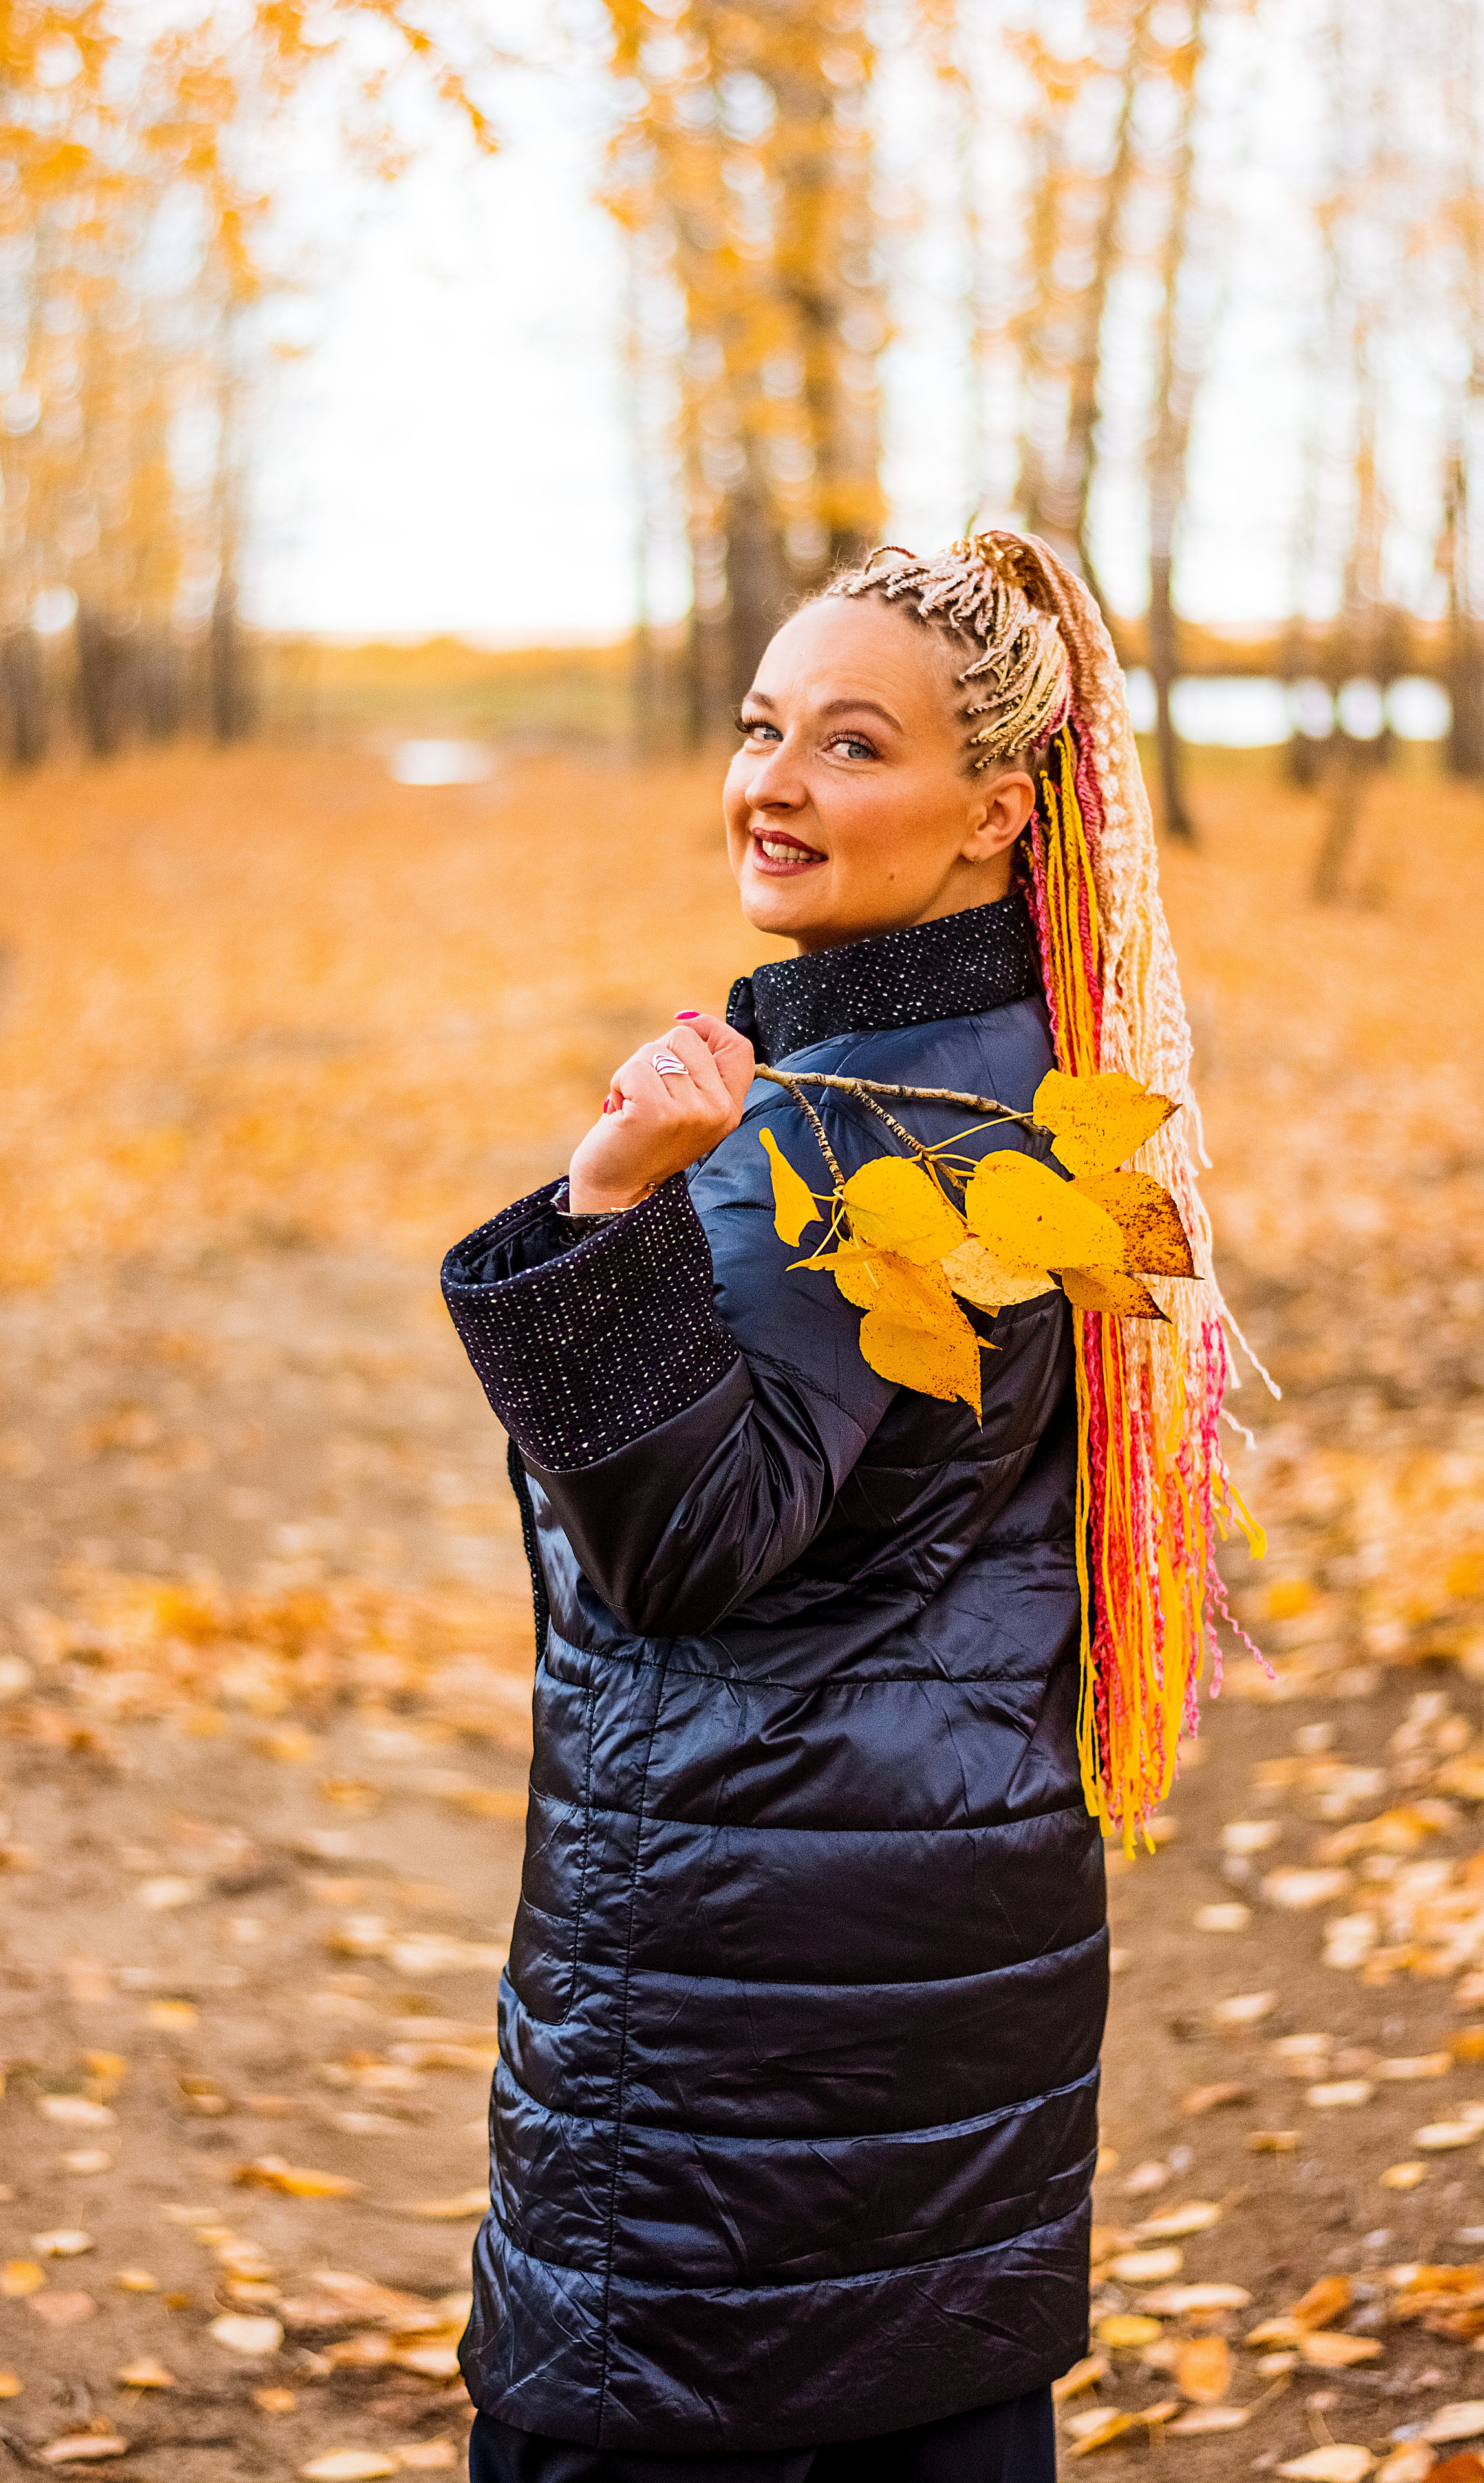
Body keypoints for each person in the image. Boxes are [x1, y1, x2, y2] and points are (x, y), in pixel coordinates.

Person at [440, 534, 1247, 2481]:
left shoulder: (844, 1151)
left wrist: (614, 1200)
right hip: (945, 2011)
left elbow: (686, 1554)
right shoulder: (1041, 1097)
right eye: (760, 727)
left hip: (734, 2028)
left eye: (850, 745)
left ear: (996, 813)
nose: (773, 782)